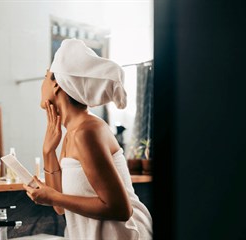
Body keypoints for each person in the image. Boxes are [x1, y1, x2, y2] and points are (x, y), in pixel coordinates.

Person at [23, 39, 152, 239]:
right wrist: (48, 152)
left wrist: (54, 196)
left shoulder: (87, 131)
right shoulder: (71, 133)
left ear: (56, 84)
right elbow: (59, 207)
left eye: (45, 76)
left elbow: (119, 209)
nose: (42, 83)